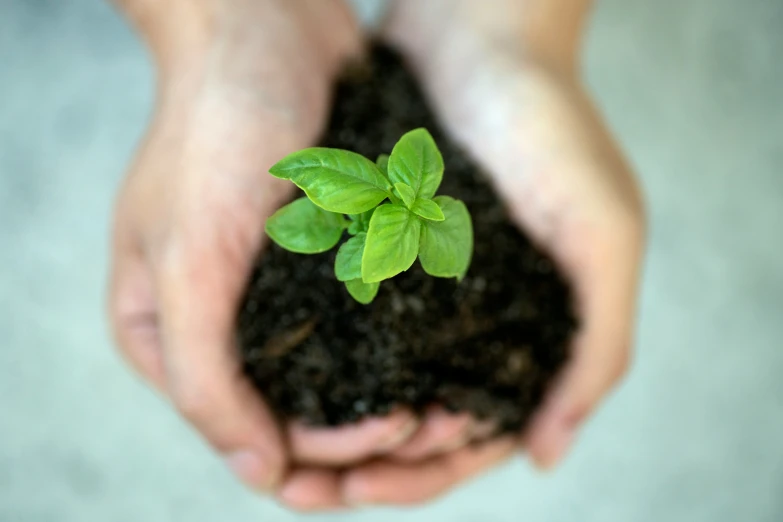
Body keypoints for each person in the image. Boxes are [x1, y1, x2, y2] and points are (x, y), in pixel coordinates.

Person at [109, 0, 645, 511]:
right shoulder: (384, 210)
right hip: (385, 203)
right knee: (361, 249)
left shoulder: (426, 216)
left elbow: (388, 254)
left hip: (403, 207)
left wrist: (507, 24)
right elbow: (365, 259)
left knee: (386, 255)